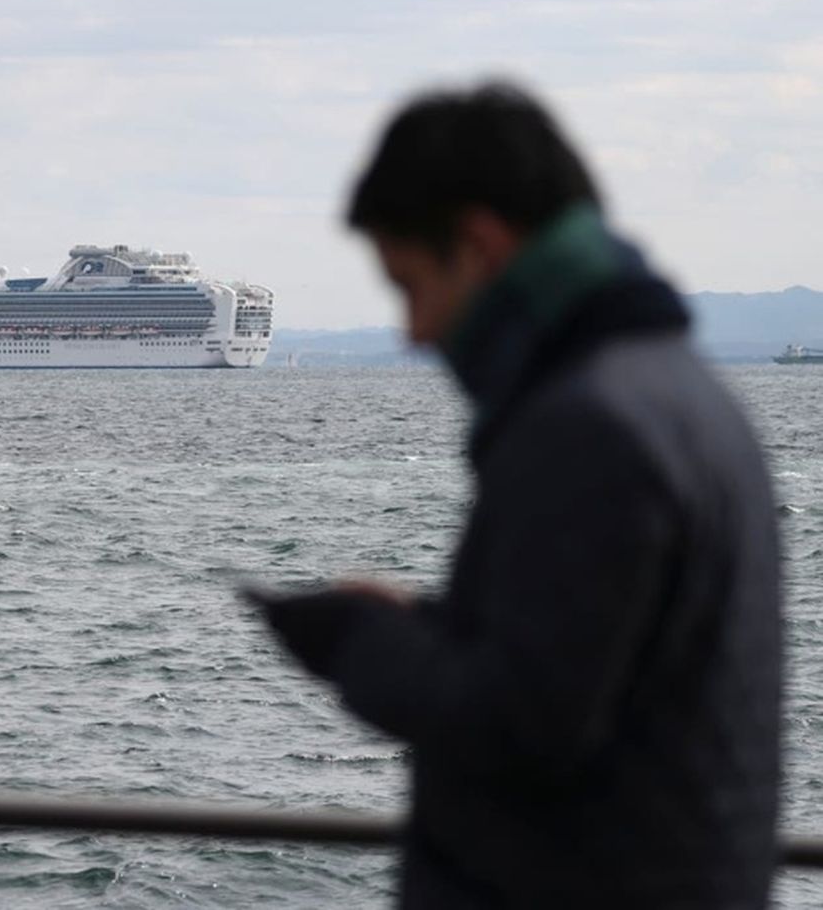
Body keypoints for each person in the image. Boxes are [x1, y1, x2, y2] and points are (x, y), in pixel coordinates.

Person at [249, 81, 781, 908]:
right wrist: (434, 629)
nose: (412, 333)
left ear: (481, 245)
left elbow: (523, 732)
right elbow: (601, 674)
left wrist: (363, 641)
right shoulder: (692, 400)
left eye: (411, 284)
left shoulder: (589, 427)